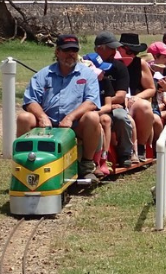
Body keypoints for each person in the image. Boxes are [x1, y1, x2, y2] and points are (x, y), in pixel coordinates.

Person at [16, 34, 102, 181]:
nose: (71, 54)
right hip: (47, 124)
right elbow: (30, 100)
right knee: (24, 117)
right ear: (57, 52)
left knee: (93, 117)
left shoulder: (88, 74)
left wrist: (70, 117)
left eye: (74, 50)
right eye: (66, 50)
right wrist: (42, 117)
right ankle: (26, 164)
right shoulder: (43, 75)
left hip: (75, 125)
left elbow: (92, 102)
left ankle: (87, 165)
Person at [88, 33, 135, 171]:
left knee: (120, 117)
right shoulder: (87, 65)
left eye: (115, 48)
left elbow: (121, 96)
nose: (115, 52)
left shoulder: (119, 67)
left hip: (113, 105)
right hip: (92, 105)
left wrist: (105, 102)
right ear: (99, 49)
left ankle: (125, 154)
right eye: (111, 48)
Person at [118, 33, 156, 162]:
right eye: (128, 51)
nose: (132, 55)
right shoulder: (112, 63)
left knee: (144, 106)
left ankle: (141, 147)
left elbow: (151, 89)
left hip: (133, 98)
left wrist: (135, 97)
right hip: (115, 98)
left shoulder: (140, 63)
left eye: (134, 52)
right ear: (120, 48)